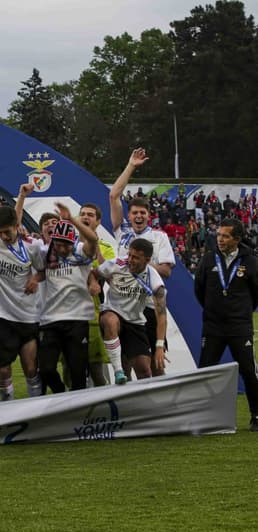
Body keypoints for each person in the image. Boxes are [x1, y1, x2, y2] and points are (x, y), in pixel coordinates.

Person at [0, 186, 45, 401]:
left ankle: (34, 411)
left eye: (7, 232)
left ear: (17, 226)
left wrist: (34, 278)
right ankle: (7, 409)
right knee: (3, 371)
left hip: (28, 315)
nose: (3, 236)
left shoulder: (33, 246)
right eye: (0, 231)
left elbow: (42, 270)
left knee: (31, 367)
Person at [109, 149, 174, 376]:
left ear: (149, 215)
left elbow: (166, 270)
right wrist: (131, 166)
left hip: (148, 307)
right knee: (126, 363)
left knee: (156, 364)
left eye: (142, 213)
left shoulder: (159, 237)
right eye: (134, 212)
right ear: (129, 215)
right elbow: (114, 196)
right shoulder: (122, 233)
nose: (138, 216)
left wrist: (138, 265)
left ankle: (160, 407)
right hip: (125, 307)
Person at [194, 217, 258, 431]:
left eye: (225, 236)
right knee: (205, 371)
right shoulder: (209, 259)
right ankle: (202, 416)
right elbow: (199, 290)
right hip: (213, 326)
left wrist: (240, 312)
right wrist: (214, 310)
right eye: (218, 235)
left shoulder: (250, 261)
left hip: (240, 327)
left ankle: (256, 415)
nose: (220, 239)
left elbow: (256, 294)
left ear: (237, 239)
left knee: (248, 370)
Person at [37, 205, 98, 391]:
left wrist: (72, 219)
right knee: (46, 370)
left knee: (78, 373)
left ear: (74, 242)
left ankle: (78, 412)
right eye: (58, 244)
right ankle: (60, 393)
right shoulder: (46, 253)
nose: (62, 249)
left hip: (77, 319)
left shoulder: (80, 251)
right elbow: (39, 270)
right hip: (50, 320)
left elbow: (93, 239)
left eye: (66, 245)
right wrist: (34, 278)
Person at [96, 239, 167, 383]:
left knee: (144, 370)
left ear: (147, 260)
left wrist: (159, 346)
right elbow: (94, 273)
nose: (130, 260)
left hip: (135, 322)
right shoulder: (117, 263)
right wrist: (92, 283)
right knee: (110, 320)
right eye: (129, 255)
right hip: (112, 312)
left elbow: (161, 316)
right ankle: (118, 371)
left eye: (135, 257)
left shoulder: (155, 280)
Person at [78, 203, 116, 386]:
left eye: (90, 215)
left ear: (98, 221)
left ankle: (105, 406)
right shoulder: (66, 244)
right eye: (83, 214)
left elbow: (107, 273)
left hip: (93, 312)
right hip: (68, 310)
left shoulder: (106, 247)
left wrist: (95, 245)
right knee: (73, 367)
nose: (85, 217)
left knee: (95, 367)